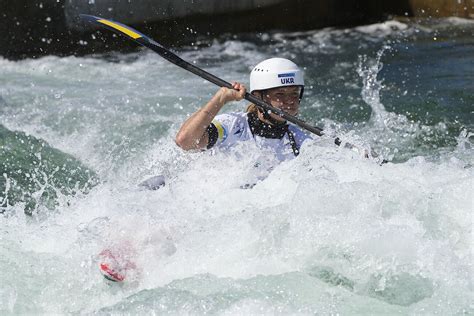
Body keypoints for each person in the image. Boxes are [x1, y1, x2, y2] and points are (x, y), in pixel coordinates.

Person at [175, 58, 312, 161]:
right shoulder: (231, 125)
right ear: (258, 97)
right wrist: (221, 98)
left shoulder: (300, 140)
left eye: (294, 93)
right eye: (280, 94)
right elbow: (185, 141)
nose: (289, 101)